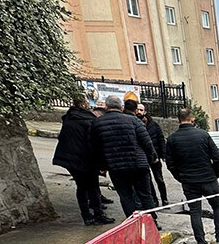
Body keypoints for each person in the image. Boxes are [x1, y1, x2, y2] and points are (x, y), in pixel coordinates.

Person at [165, 109, 219, 244]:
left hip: (189, 181)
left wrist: (181, 178)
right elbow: (217, 157)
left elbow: (170, 164)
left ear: (178, 120)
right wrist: (215, 174)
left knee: (195, 211)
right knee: (217, 207)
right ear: (192, 119)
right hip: (209, 179)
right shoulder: (203, 135)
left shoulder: (172, 139)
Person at [90, 95, 158, 218]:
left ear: (106, 107)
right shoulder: (134, 120)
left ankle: (132, 222)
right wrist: (152, 157)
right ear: (121, 107)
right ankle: (152, 221)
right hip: (138, 164)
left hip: (116, 167)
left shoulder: (97, 123)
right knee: (145, 195)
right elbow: (146, 141)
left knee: (126, 196)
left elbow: (95, 148)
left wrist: (102, 166)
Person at [52, 97, 114, 226]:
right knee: (93, 186)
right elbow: (95, 144)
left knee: (82, 187)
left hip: (69, 159)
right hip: (86, 159)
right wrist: (102, 165)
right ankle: (98, 214)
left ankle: (87, 216)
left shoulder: (69, 118)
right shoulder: (89, 121)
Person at [132, 101, 170, 207]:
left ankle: (164, 198)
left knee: (159, 179)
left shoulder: (153, 124)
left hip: (155, 156)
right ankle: (154, 200)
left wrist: (163, 154)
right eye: (137, 110)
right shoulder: (134, 123)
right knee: (147, 180)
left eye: (141, 110)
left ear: (145, 111)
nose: (139, 112)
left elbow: (161, 139)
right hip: (143, 157)